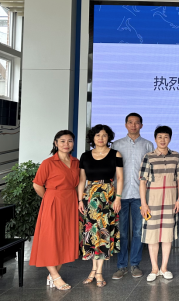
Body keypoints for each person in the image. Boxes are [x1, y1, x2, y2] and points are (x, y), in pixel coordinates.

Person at [30, 130, 80, 291]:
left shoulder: (76, 162)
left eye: (70, 141)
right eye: (62, 141)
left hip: (70, 202)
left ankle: (52, 275)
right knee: (50, 239)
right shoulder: (48, 162)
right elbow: (37, 184)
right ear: (55, 143)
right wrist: (49, 199)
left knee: (65, 239)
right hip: (53, 202)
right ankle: (56, 276)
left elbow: (78, 184)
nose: (66, 144)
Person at [78, 124, 123, 288]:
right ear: (93, 138)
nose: (101, 138)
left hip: (107, 197)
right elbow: (82, 180)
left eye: (104, 135)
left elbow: (120, 177)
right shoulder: (85, 156)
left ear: (108, 137)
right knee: (92, 234)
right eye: (97, 135)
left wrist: (118, 198)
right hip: (90, 197)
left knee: (103, 234)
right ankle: (94, 271)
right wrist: (80, 200)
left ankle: (98, 272)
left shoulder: (115, 154)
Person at [111, 113, 154, 280]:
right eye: (130, 122)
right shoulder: (116, 145)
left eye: (137, 123)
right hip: (120, 195)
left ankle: (135, 264)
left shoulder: (148, 145)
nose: (133, 125)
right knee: (122, 232)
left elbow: (151, 171)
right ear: (125, 125)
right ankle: (121, 266)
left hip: (139, 195)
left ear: (141, 125)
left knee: (138, 231)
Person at [139, 125, 179, 282]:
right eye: (160, 137)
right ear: (155, 139)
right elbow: (142, 181)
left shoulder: (176, 156)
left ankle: (164, 268)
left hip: (170, 201)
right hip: (152, 201)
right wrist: (144, 204)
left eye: (166, 137)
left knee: (167, 236)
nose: (163, 140)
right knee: (152, 236)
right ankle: (154, 268)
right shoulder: (148, 157)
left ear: (170, 139)